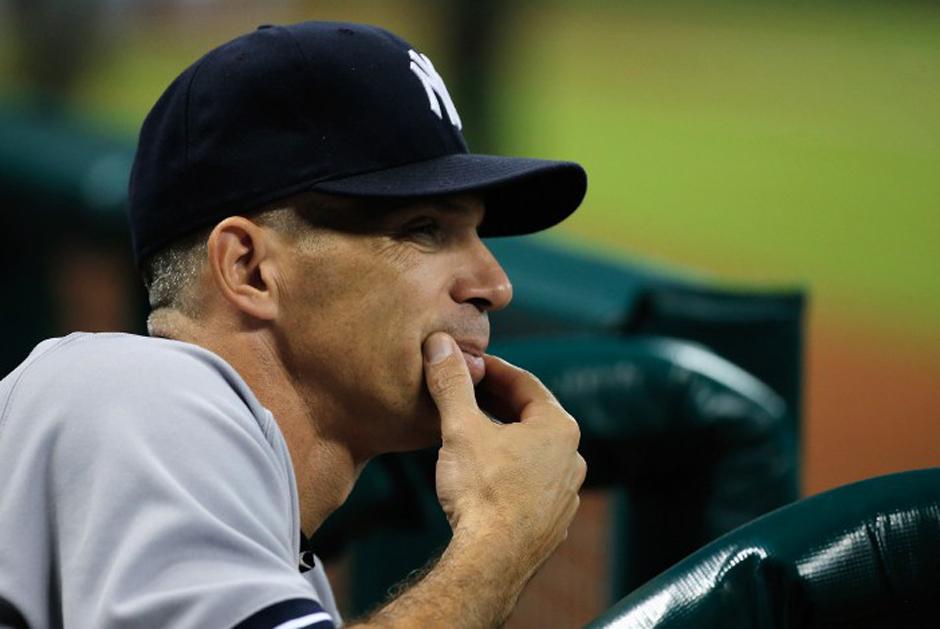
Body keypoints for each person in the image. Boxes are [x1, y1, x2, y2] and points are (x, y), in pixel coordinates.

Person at [0, 21, 588, 628]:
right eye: (424, 228)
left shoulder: (276, 557)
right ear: (249, 269)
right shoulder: (132, 393)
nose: (494, 286)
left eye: (476, 233)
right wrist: (499, 543)